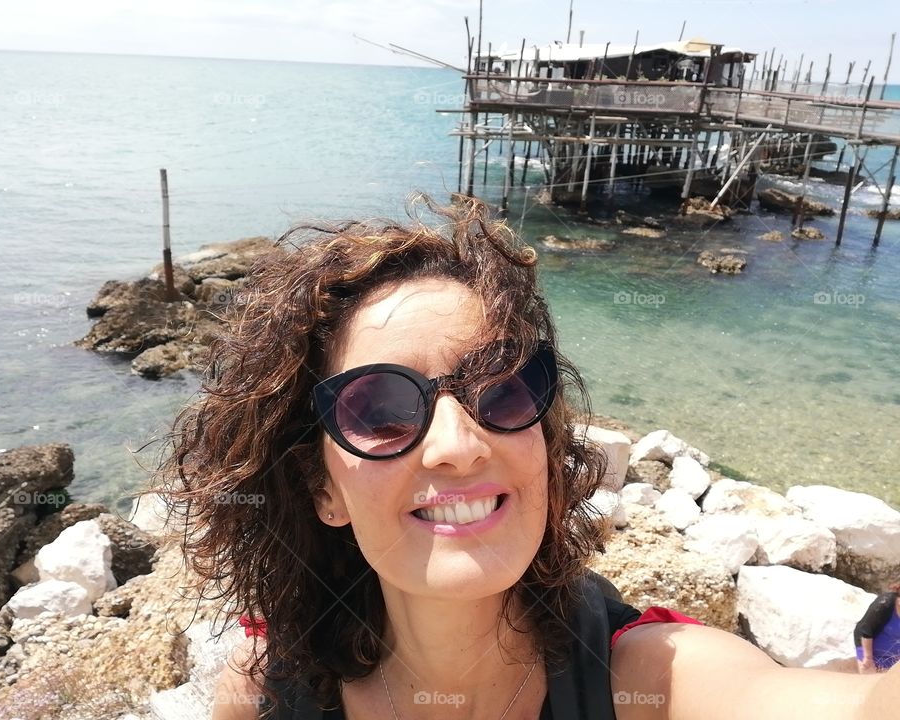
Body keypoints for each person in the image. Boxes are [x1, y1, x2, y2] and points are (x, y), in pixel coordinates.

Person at [157, 195, 899, 720]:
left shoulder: (651, 684)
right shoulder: (267, 693)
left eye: (503, 386)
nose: (456, 445)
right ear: (322, 487)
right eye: (379, 409)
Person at [855, 583, 900, 673]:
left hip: (894, 654)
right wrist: (868, 658)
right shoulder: (885, 603)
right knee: (871, 682)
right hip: (869, 648)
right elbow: (867, 630)